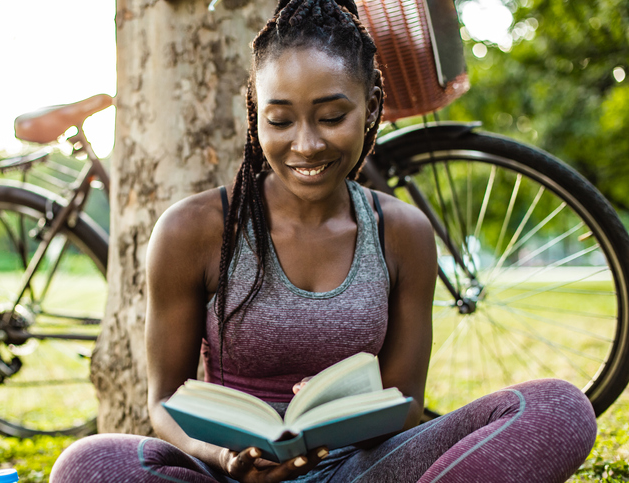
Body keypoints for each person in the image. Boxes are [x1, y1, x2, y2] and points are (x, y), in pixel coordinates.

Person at [49, 0, 597, 481]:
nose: (306, 145)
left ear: (371, 108)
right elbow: (164, 401)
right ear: (254, 116)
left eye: (333, 116)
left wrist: (339, 416)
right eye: (280, 120)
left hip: (360, 468)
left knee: (558, 408)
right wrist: (219, 456)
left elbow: (406, 406)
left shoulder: (401, 232)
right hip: (227, 474)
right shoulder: (193, 230)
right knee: (88, 463)